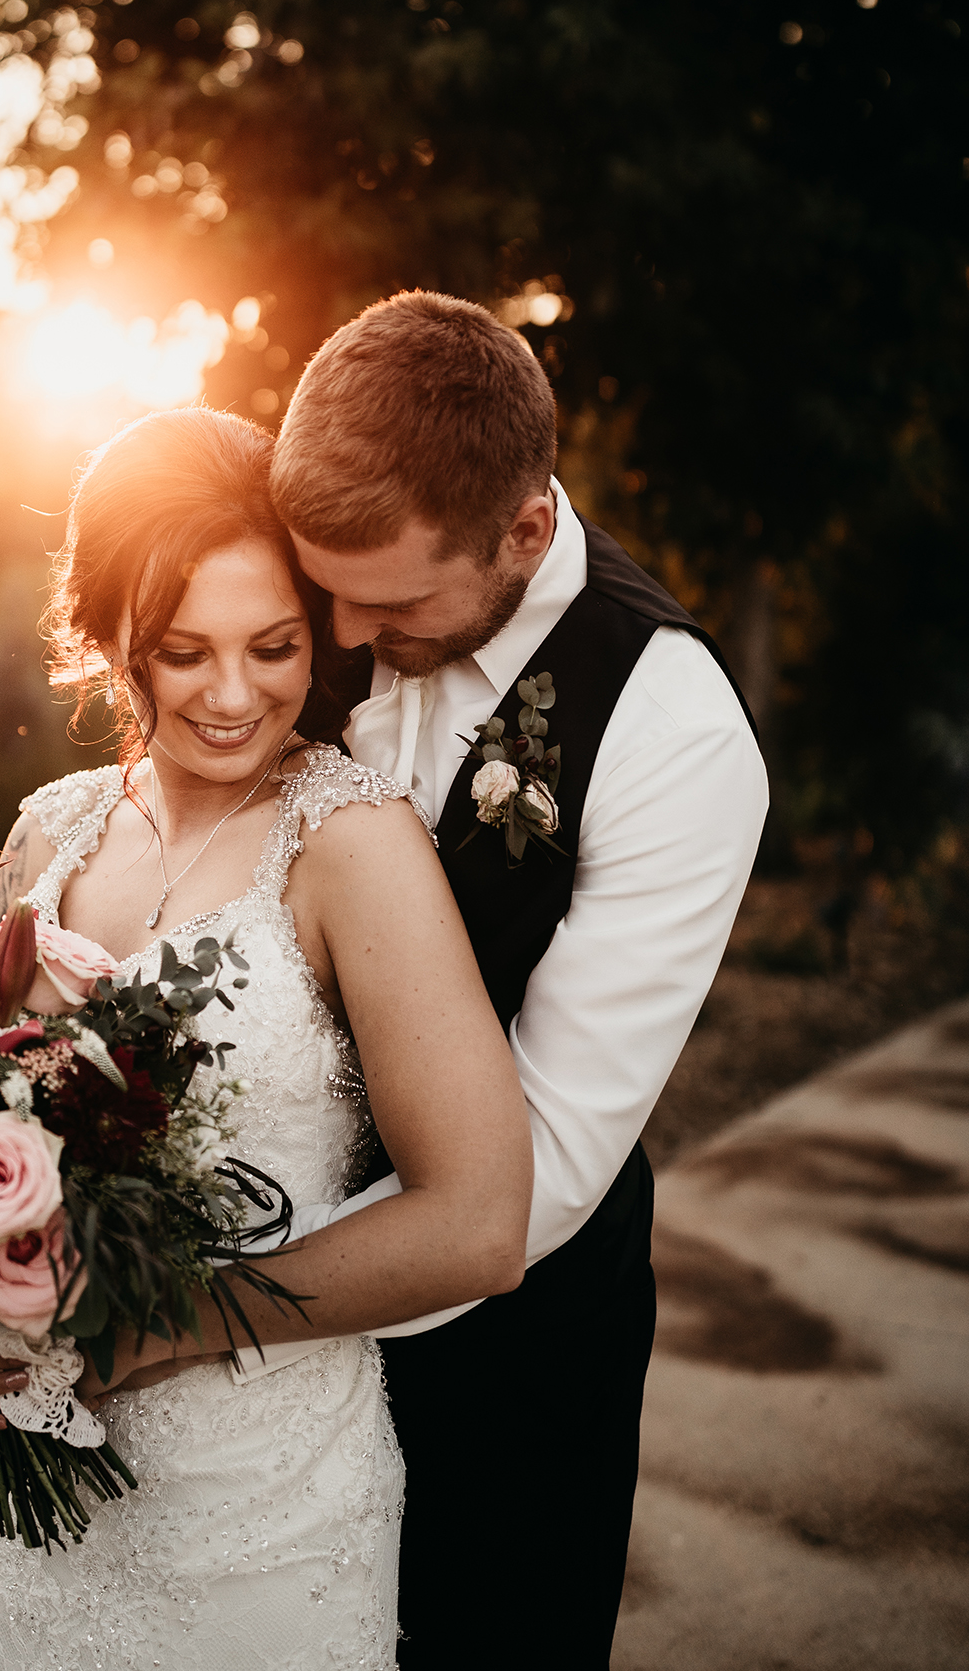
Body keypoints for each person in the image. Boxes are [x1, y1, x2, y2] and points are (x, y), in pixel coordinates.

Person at [0, 404, 533, 1671]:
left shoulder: (352, 841)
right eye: (182, 650)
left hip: (258, 1520)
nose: (233, 693)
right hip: (25, 1521)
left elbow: (478, 1220)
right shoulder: (51, 832)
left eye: (271, 646)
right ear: (108, 637)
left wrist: (164, 1327)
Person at [255, 289, 770, 1667]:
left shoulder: (670, 731)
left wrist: (231, 1307)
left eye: (393, 600)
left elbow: (532, 1165)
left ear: (524, 528)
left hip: (507, 1362)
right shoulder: (332, 587)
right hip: (240, 1345)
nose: (342, 638)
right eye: (325, 592)